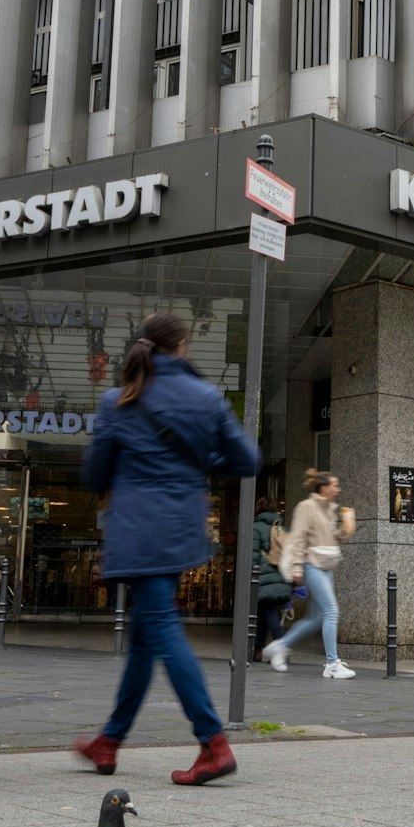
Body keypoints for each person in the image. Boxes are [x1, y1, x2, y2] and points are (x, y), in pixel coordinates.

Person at [72, 312, 260, 785]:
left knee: (159, 627)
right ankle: (108, 741)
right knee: (145, 638)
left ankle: (212, 741)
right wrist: (199, 460)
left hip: (139, 532)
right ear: (181, 347)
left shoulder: (119, 400)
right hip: (181, 530)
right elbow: (247, 459)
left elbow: (94, 476)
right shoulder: (206, 396)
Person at [263, 469, 357, 680]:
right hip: (312, 564)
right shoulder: (306, 507)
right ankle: (332, 664)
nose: (337, 489)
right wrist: (296, 566)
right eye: (334, 485)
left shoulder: (329, 510)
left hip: (326, 564)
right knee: (331, 611)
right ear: (323, 488)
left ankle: (279, 647)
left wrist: (344, 530)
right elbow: (297, 538)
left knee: (316, 618)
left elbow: (329, 538)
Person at [252, 498, 293, 651]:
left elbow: (253, 554)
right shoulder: (282, 529)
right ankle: (257, 649)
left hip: (263, 578)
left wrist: (250, 575)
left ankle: (282, 648)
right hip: (281, 578)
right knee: (264, 613)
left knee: (269, 613)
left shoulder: (256, 528)